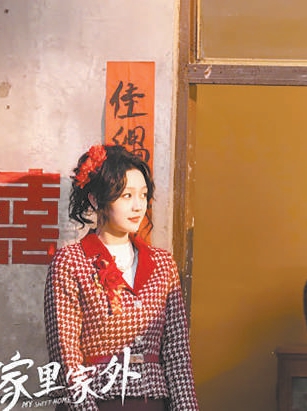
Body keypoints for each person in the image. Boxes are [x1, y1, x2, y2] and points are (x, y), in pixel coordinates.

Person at [44, 144, 199, 411]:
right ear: (96, 199)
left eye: (143, 195)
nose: (138, 206)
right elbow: (66, 356)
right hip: (97, 402)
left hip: (154, 402)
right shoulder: (70, 261)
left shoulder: (163, 264)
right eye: (127, 195)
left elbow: (177, 355)